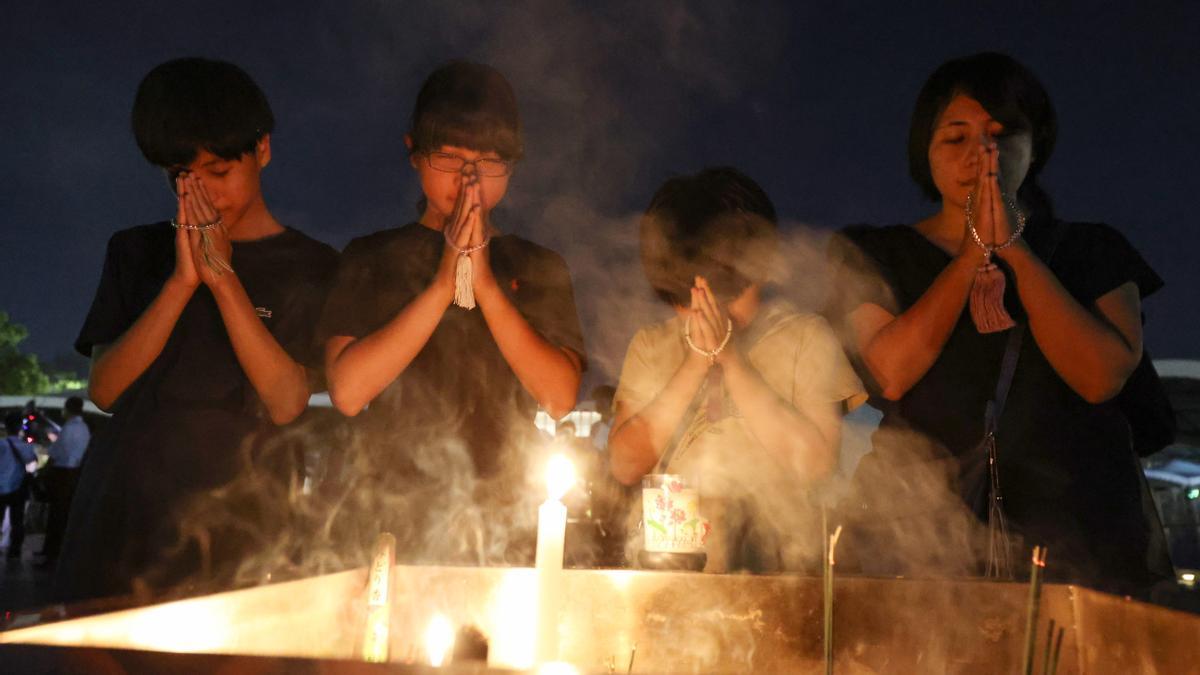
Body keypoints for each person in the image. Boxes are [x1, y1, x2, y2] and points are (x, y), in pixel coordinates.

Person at [828, 52, 1171, 594]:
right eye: (956, 138)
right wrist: (971, 256)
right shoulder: (874, 253)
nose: (979, 154)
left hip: (1078, 535)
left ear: (1034, 149)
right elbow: (890, 372)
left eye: (1001, 135)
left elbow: (1101, 375)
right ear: (926, 151)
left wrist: (1013, 249)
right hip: (921, 533)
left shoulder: (1094, 249)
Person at [55, 58, 338, 603]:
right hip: (123, 515)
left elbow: (285, 401)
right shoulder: (135, 251)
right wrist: (182, 282)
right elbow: (105, 389)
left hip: (245, 523)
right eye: (182, 177)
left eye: (219, 172)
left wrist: (223, 278)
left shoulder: (312, 265)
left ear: (262, 149)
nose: (204, 194)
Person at [319, 61, 586, 564]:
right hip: (391, 511)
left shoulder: (538, 265)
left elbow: (557, 396)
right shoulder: (371, 256)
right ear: (413, 154)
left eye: (488, 162)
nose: (469, 180)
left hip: (507, 516)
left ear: (512, 165)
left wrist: (483, 282)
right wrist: (445, 282)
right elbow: (349, 392)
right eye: (449, 158)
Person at [609, 167, 866, 573]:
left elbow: (817, 464)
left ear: (760, 267)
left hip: (780, 568)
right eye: (688, 297)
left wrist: (730, 359)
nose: (708, 311)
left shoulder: (804, 337)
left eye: (725, 292)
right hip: (675, 573)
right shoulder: (652, 345)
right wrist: (696, 360)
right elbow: (625, 463)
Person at [37, 396, 91, 566]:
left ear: (68, 409)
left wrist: (44, 470)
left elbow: (57, 453)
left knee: (57, 515)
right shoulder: (84, 428)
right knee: (64, 514)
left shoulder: (69, 428)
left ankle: (52, 555)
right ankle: (53, 552)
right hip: (75, 474)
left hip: (63, 475)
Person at [1, 413, 38, 560]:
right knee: (17, 521)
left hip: (0, 487)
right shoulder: (26, 447)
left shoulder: (1, 444)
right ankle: (14, 551)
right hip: (17, 488)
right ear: (20, 429)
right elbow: (32, 462)